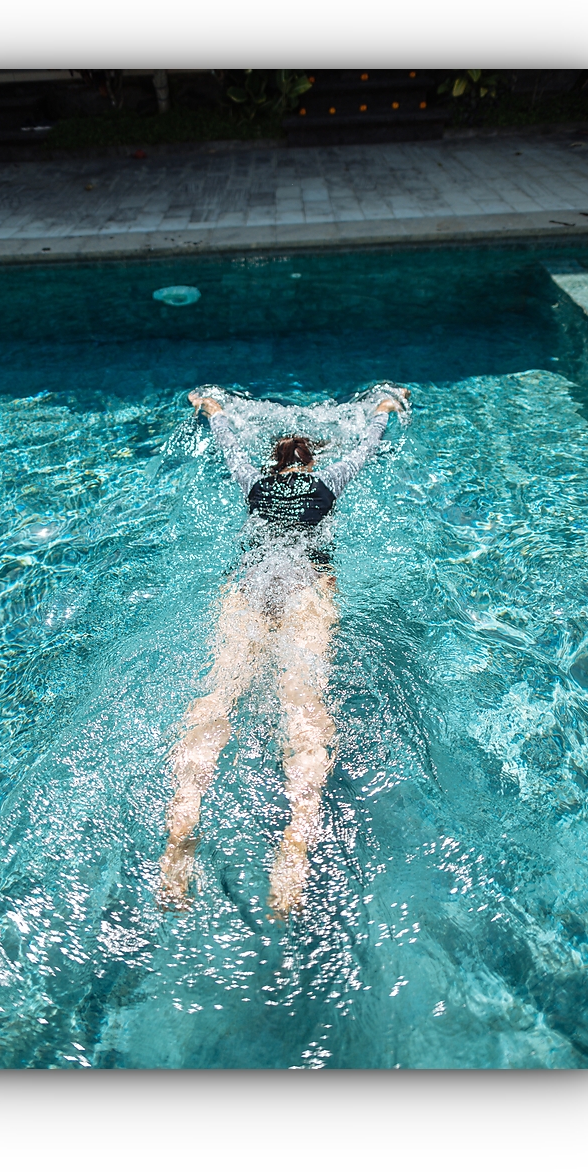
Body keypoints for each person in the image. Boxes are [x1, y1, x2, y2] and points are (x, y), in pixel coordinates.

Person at [159, 387, 409, 916]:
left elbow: (228, 446)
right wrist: (384, 409)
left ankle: (181, 827)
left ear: (273, 464)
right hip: (305, 588)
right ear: (311, 462)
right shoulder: (328, 482)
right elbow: (367, 446)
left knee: (217, 698)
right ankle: (295, 839)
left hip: (251, 589)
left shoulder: (254, 484)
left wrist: (214, 410)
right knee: (303, 707)